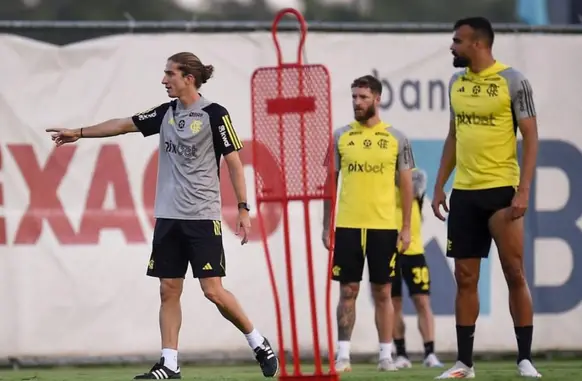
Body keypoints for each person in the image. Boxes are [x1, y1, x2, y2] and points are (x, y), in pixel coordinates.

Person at [46, 52, 279, 380]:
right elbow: (123, 124)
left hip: (201, 217)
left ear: (189, 79)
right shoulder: (165, 113)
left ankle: (258, 342)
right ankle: (169, 363)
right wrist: (79, 132)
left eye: (170, 73)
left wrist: (243, 208)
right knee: (169, 289)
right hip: (168, 218)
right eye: (165, 73)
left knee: (212, 290)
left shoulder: (215, 114)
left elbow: (235, 162)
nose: (163, 79)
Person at [431, 17, 540, 379]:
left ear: (477, 44)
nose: (452, 46)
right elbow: (453, 137)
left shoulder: (513, 81)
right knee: (465, 277)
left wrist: (523, 190)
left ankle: (524, 358)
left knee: (514, 272)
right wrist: (439, 185)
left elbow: (531, 136)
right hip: (465, 193)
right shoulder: (455, 83)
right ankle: (465, 363)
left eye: (457, 41)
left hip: (501, 192)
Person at [322, 75, 415, 372]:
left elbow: (406, 187)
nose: (356, 103)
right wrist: (327, 226)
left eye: (362, 97)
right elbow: (329, 184)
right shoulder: (340, 136)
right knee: (348, 290)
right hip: (349, 225)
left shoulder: (397, 138)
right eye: (353, 97)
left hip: (384, 226)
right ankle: (343, 356)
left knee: (383, 292)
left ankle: (386, 356)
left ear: (377, 98)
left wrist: (407, 226)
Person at [391, 168, 443, 370]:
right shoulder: (382, 178)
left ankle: (430, 353)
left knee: (422, 301)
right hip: (389, 252)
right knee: (393, 303)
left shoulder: (416, 175)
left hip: (414, 250)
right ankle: (401, 354)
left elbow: (412, 189)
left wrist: (396, 175)